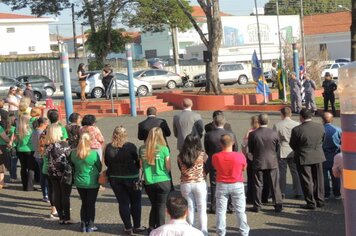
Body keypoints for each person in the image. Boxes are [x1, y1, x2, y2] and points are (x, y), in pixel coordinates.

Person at [104, 126, 146, 235]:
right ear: (125, 134)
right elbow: (137, 161)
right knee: (136, 202)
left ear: (114, 134)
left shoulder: (108, 147)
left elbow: (107, 163)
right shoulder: (130, 146)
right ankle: (137, 226)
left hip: (115, 178)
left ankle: (128, 227)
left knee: (123, 203)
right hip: (132, 177)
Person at [213, 134, 249, 236]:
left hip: (222, 184)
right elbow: (243, 169)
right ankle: (244, 232)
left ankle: (221, 232)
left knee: (221, 210)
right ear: (233, 143)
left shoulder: (216, 156)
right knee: (240, 210)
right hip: (237, 183)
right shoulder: (240, 156)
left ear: (220, 144)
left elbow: (215, 168)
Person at [290, 108, 325, 209]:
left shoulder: (297, 130)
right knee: (319, 179)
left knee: (306, 180)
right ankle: (320, 200)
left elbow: (293, 144)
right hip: (318, 155)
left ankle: (310, 202)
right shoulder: (320, 127)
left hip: (303, 156)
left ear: (301, 117)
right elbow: (323, 139)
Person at [248, 114, 283, 213]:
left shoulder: (253, 134)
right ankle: (278, 204)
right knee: (274, 184)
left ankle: (257, 205)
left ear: (258, 121)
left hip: (258, 161)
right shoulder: (274, 133)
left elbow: (251, 149)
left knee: (258, 184)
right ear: (268, 121)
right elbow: (277, 148)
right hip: (272, 161)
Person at [139, 127, 171, 233]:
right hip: (163, 180)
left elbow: (141, 166)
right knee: (161, 205)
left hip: (149, 181)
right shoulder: (164, 149)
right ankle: (161, 230)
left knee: (154, 205)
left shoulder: (142, 149)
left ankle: (152, 227)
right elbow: (168, 167)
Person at [204, 114, 237, 214]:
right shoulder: (231, 134)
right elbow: (235, 149)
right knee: (230, 182)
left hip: (214, 162)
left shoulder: (208, 135)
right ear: (224, 123)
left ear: (214, 122)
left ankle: (214, 206)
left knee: (214, 184)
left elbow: (207, 149)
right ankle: (230, 206)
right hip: (229, 162)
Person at [70, 132, 101, 232]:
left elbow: (72, 165)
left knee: (84, 203)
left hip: (79, 181)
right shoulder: (93, 154)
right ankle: (91, 225)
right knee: (91, 204)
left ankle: (83, 224)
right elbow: (99, 167)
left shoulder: (73, 153)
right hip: (92, 182)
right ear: (89, 141)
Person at [178, 134, 208, 236]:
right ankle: (203, 231)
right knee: (201, 208)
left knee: (189, 208)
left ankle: (190, 230)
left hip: (185, 183)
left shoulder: (180, 156)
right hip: (199, 183)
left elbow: (180, 169)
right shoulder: (202, 154)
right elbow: (206, 168)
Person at [44, 124, 74, 224]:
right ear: (58, 132)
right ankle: (67, 218)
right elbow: (70, 157)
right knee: (65, 195)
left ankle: (61, 217)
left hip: (52, 172)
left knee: (57, 194)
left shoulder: (48, 146)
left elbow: (46, 158)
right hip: (64, 173)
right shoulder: (64, 145)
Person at [273, 107, 302, 199]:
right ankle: (297, 191)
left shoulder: (277, 125)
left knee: (282, 172)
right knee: (295, 172)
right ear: (291, 114)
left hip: (282, 149)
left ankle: (281, 191)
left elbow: (274, 139)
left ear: (282, 114)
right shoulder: (297, 124)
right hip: (294, 150)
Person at [241, 115, 262, 204]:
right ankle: (261, 196)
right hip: (262, 157)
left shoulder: (249, 132)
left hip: (251, 157)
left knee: (251, 178)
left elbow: (244, 146)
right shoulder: (263, 131)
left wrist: (245, 155)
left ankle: (250, 197)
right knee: (261, 178)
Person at [322, 112, 342, 199]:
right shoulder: (338, 129)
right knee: (336, 175)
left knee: (324, 175)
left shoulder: (321, 129)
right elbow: (342, 142)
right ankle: (337, 193)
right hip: (335, 153)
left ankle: (326, 193)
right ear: (332, 119)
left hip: (323, 154)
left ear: (322, 120)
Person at [31, 117, 50, 202]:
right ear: (43, 124)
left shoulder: (34, 131)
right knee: (46, 176)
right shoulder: (42, 133)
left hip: (37, 155)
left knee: (43, 176)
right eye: (47, 124)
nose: (47, 125)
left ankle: (45, 194)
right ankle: (47, 194)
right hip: (43, 156)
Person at [16, 114, 36, 191]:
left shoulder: (18, 129)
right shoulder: (30, 129)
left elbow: (17, 140)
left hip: (20, 149)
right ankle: (30, 186)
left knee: (23, 168)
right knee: (30, 168)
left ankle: (24, 185)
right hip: (29, 149)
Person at [6, 114, 18, 182]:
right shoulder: (14, 128)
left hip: (7, 147)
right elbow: (14, 138)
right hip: (13, 146)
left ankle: (11, 176)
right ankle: (13, 177)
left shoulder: (6, 128)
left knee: (10, 163)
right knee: (13, 163)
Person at [0, 121, 10, 188]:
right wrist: (9, 141)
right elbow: (5, 138)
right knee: (1, 165)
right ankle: (1, 183)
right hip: (1, 147)